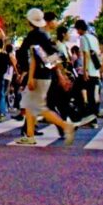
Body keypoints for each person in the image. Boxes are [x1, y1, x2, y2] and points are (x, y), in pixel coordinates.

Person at [15, 8, 76, 146]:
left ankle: (66, 126)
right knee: (30, 105)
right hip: (44, 74)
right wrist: (60, 74)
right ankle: (30, 136)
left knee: (39, 106)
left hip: (38, 76)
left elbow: (35, 58)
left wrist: (29, 76)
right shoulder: (42, 35)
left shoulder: (34, 36)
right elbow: (48, 57)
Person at [74, 20, 101, 122]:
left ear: (80, 29)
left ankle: (84, 113)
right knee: (91, 95)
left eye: (77, 29)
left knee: (76, 90)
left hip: (87, 71)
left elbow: (86, 54)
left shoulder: (84, 38)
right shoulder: (94, 38)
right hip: (95, 71)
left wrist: (85, 70)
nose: (77, 32)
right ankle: (92, 119)